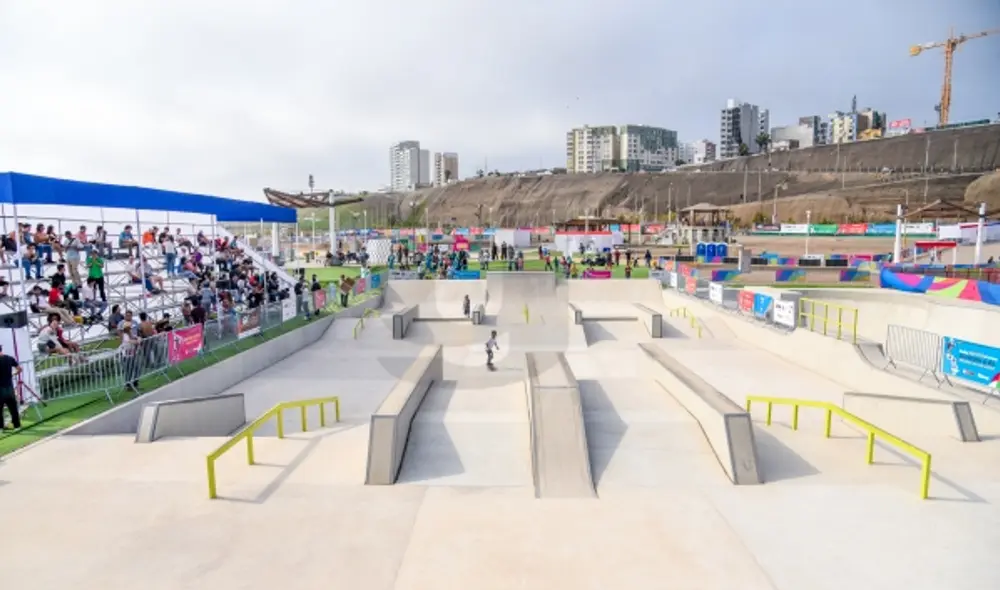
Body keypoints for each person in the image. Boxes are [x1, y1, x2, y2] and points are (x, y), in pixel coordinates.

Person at [0, 344, 23, 431]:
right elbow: (20, 369)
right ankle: (17, 426)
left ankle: (1, 428)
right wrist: (13, 374)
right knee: (13, 408)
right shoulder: (9, 358)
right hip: (9, 387)